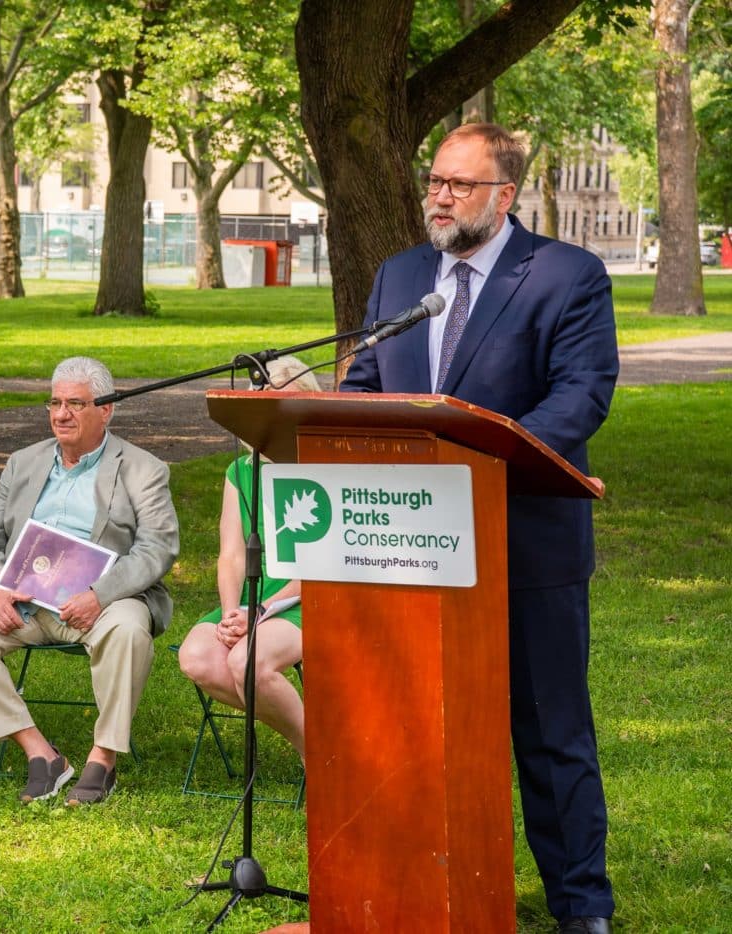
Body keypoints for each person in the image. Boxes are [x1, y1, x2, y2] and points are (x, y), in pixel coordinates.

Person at [340, 123, 618, 934]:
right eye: (434, 181)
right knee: (414, 726)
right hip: (405, 548)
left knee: (549, 731)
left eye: (458, 185)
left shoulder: (567, 275)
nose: (439, 197)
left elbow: (580, 395)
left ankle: (581, 907)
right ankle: (427, 889)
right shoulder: (398, 277)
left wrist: (485, 461)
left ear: (505, 195)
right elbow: (365, 384)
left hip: (525, 544)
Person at [0, 357, 179, 806]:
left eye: (75, 403)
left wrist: (99, 594)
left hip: (104, 600)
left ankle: (101, 759)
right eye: (54, 402)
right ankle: (41, 754)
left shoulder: (143, 469)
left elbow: (158, 548)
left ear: (105, 409)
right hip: (26, 602)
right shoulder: (23, 462)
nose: (60, 414)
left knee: (129, 629)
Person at [175, 357, 321, 760]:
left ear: (308, 402)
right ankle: (317, 738)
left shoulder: (324, 463)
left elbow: (323, 565)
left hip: (308, 598)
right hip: (252, 601)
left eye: (285, 402)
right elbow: (231, 555)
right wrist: (230, 613)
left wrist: (261, 609)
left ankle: (318, 759)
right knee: (197, 657)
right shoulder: (240, 471)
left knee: (247, 663)